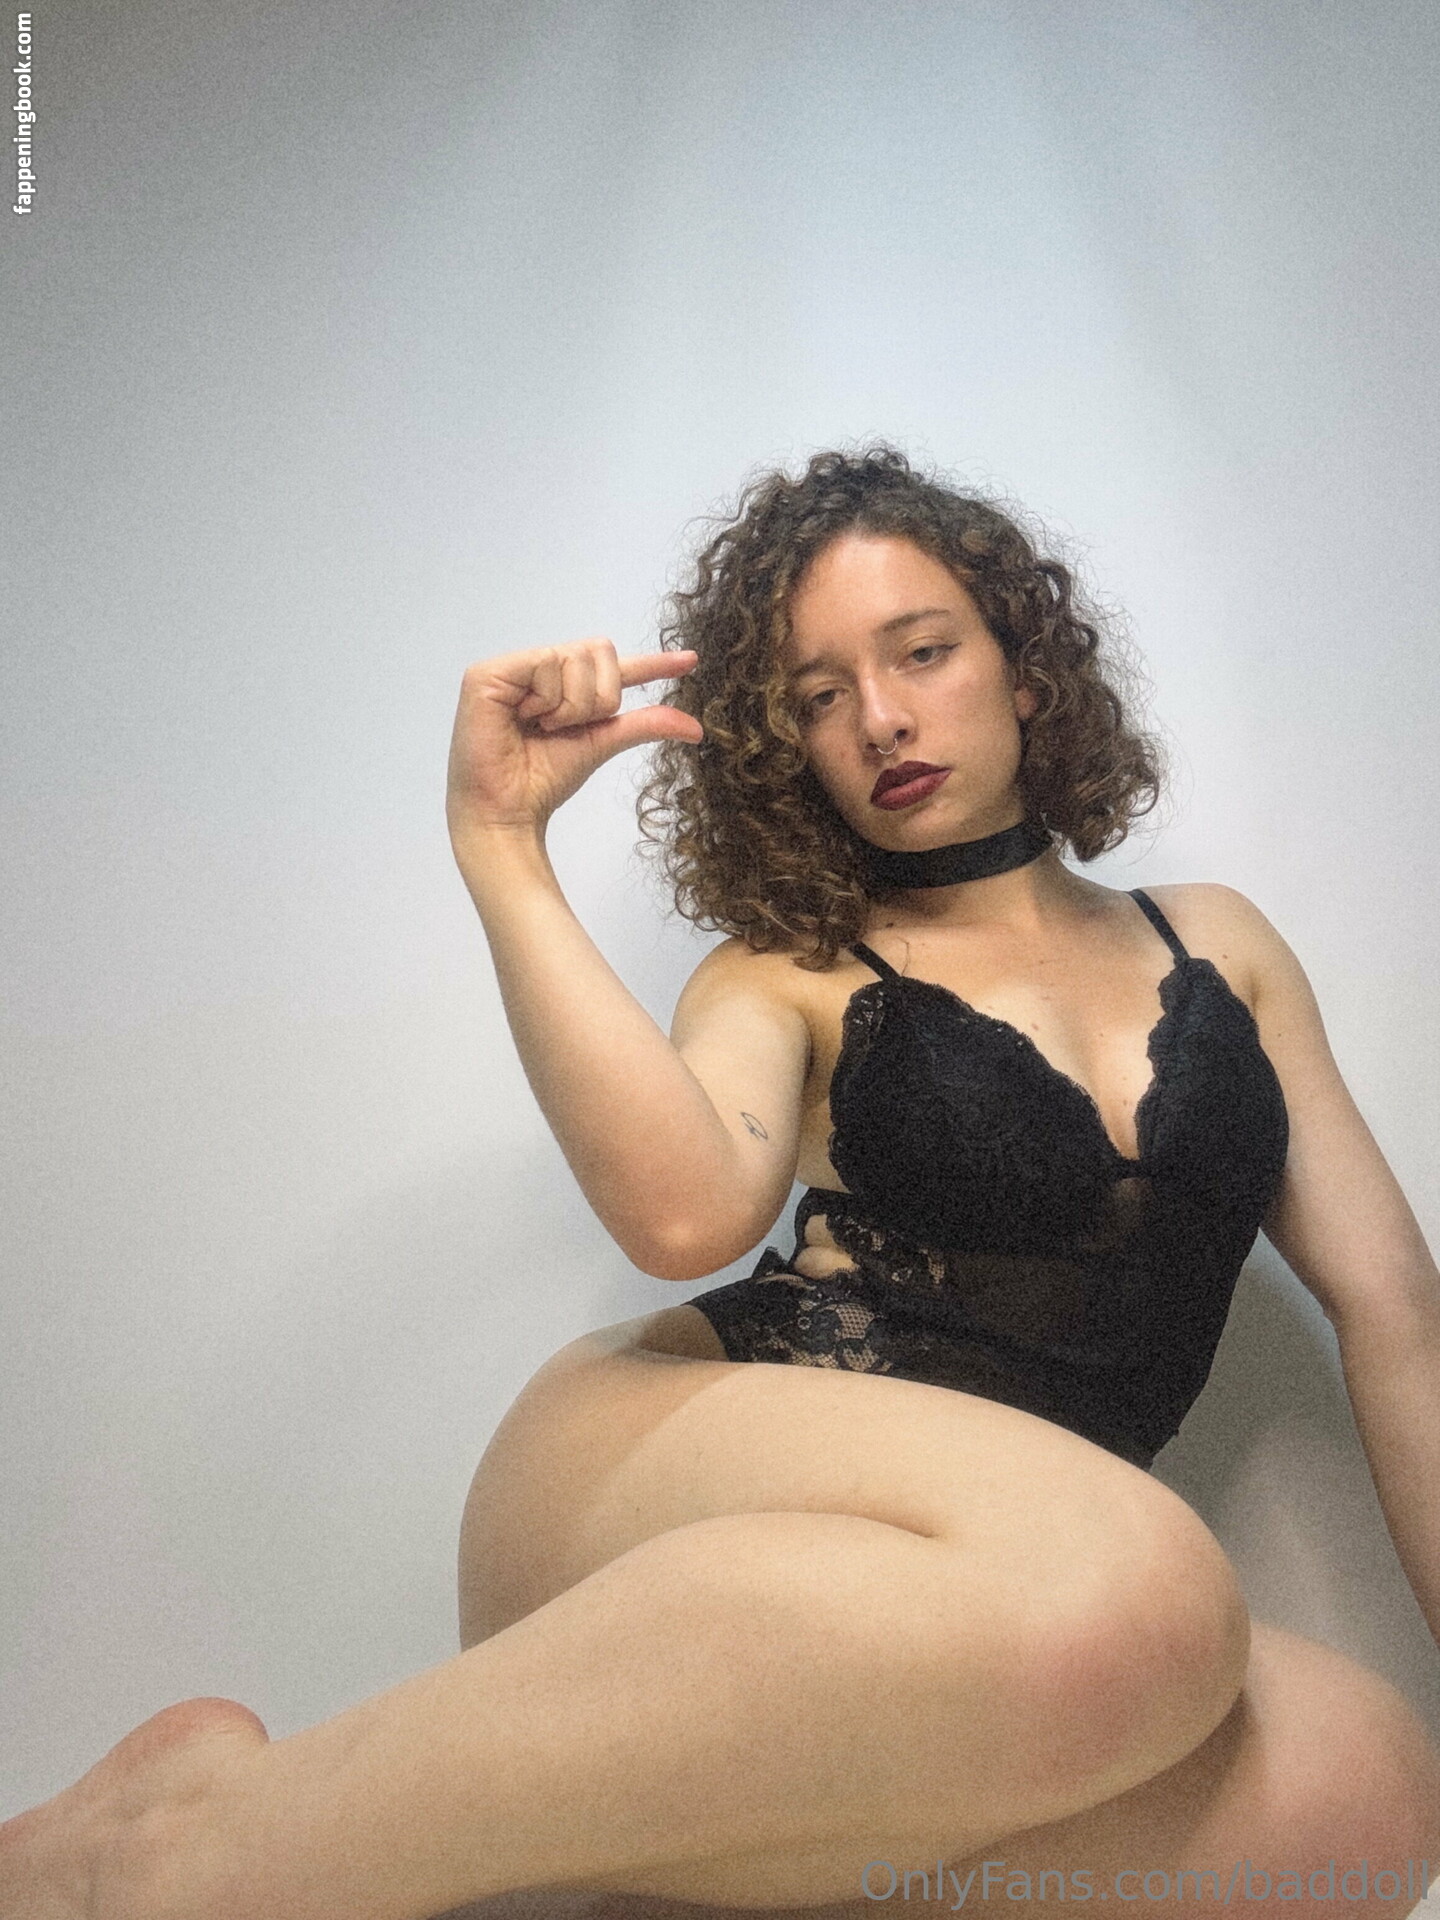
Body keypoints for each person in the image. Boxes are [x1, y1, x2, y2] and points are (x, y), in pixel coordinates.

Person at [4, 446, 1438, 1920]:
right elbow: (683, 1218)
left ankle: (599, 1874)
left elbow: (1397, 1313)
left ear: (1026, 670)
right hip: (666, 1483)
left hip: (968, 1614)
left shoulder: (1220, 944)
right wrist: (501, 843)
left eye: (923, 653)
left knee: (1367, 1786)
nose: (879, 719)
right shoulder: (785, 973)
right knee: (1147, 1595)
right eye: (818, 697)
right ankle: (168, 1861)